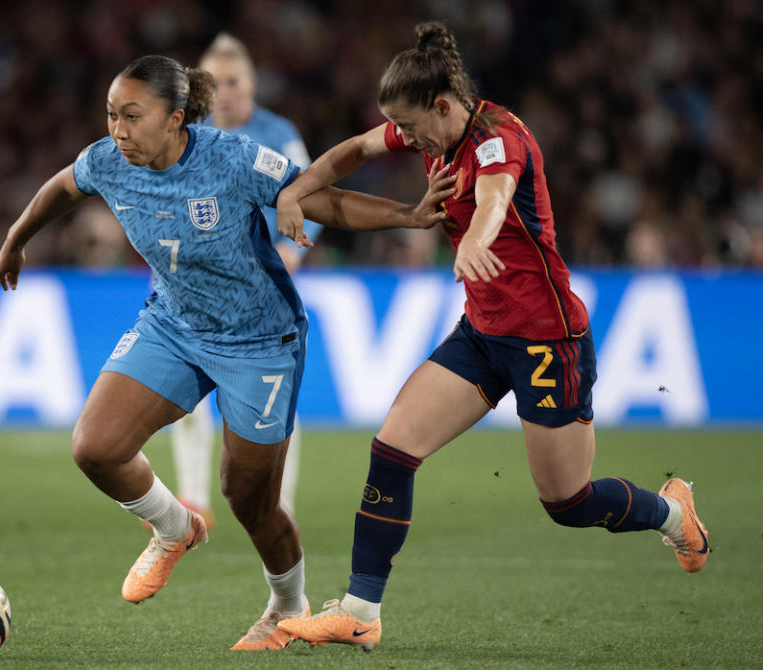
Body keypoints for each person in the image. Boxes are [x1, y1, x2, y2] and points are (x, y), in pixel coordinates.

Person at [0, 54, 455, 650]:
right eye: (111, 115)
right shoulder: (109, 161)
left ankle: (286, 607)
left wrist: (408, 217)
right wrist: (15, 239)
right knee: (95, 448)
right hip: (174, 327)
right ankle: (172, 527)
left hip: (260, 343)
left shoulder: (232, 160)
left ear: (176, 118)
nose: (118, 130)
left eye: (133, 116)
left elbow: (321, 199)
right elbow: (62, 187)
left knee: (248, 497)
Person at [274, 22, 710, 651]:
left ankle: (672, 513)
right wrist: (297, 188)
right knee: (393, 448)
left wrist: (475, 240)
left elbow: (496, 198)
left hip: (546, 341)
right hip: (482, 332)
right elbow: (355, 151)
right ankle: (361, 611)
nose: (410, 140)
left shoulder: (500, 140)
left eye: (415, 127)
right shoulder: (428, 124)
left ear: (444, 106)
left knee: (567, 501)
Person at [167, 33, 322, 528]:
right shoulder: (186, 134)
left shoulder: (278, 133)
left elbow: (310, 190)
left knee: (276, 402)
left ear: (251, 83)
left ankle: (281, 504)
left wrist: (290, 248)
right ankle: (193, 501)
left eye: (234, 81)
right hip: (199, 287)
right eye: (215, 83)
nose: (226, 92)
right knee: (185, 393)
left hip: (262, 290)